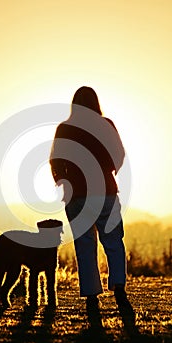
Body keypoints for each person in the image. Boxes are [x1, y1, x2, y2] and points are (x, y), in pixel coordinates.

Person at [50, 86, 135, 328]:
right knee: (113, 242)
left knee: (85, 245)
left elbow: (54, 160)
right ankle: (119, 287)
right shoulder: (106, 124)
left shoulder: (64, 128)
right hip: (106, 191)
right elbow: (119, 154)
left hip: (77, 194)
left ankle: (91, 297)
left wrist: (62, 182)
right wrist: (110, 171)